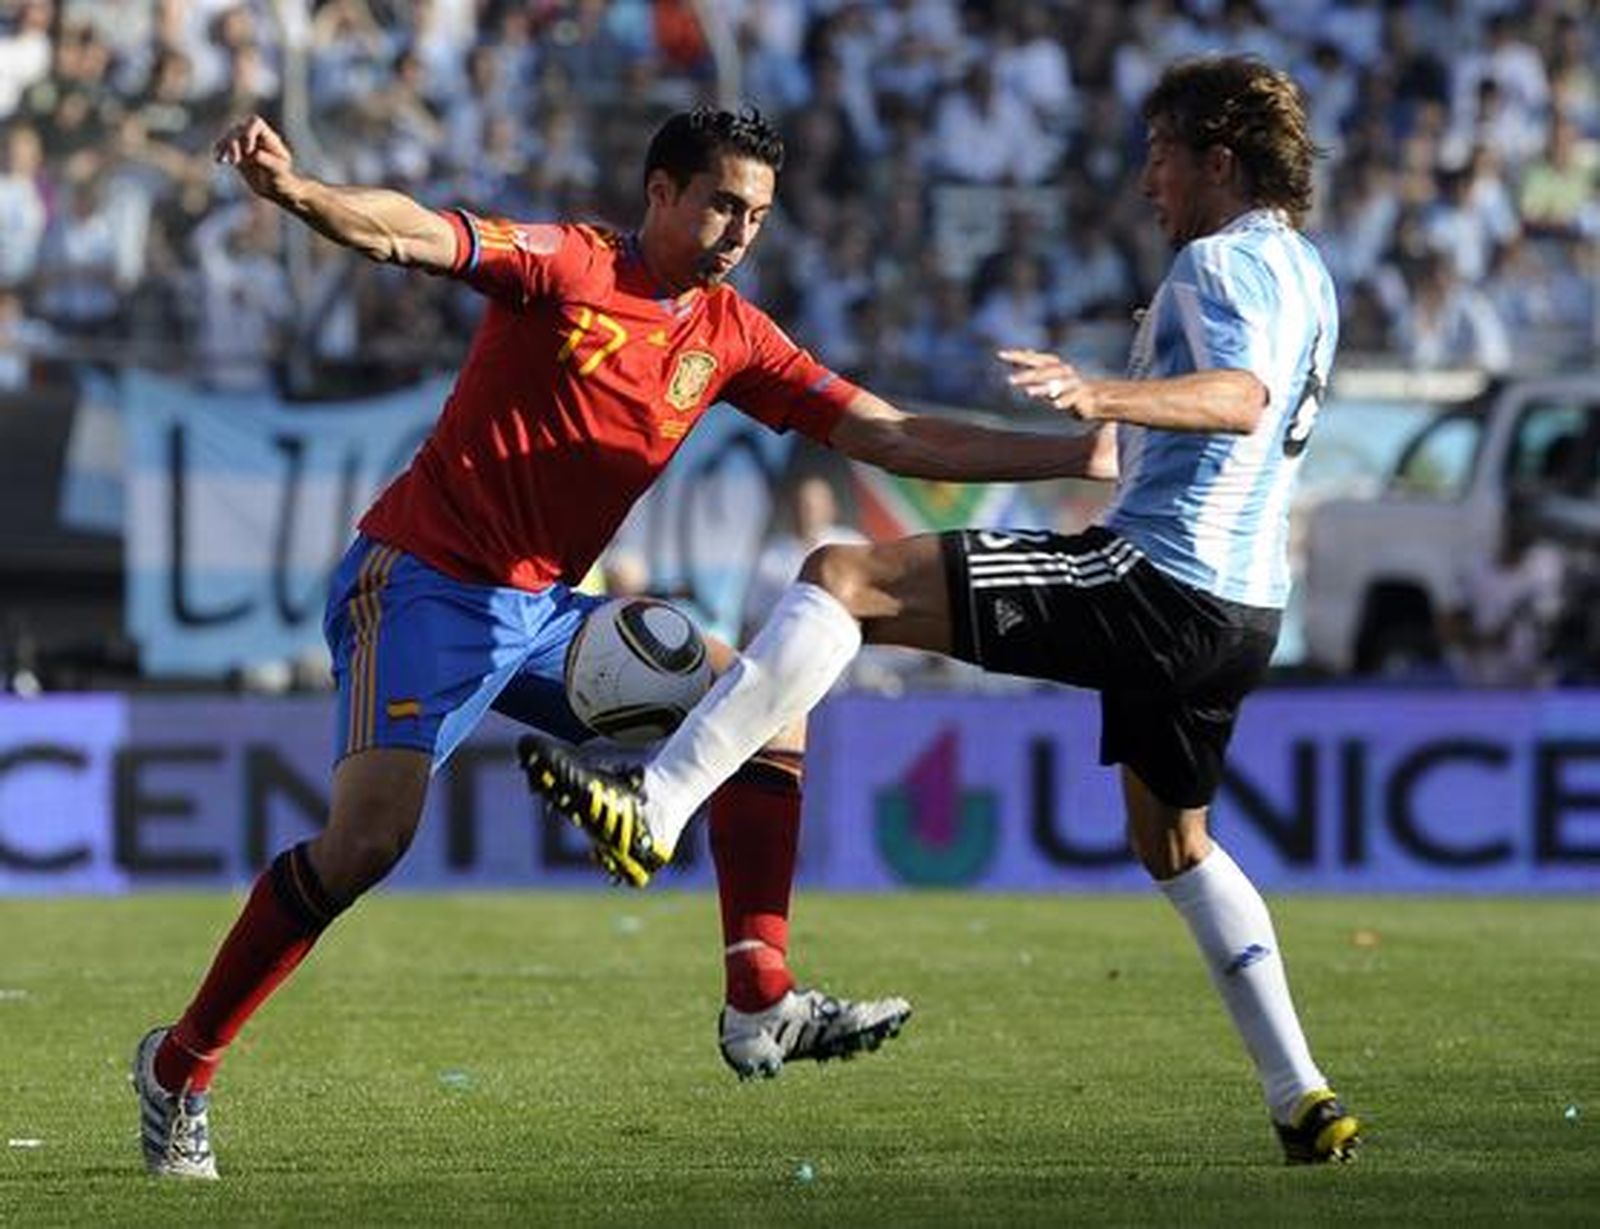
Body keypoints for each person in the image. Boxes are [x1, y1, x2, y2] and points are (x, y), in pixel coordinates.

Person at [133, 106, 1116, 1180]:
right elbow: (411, 231)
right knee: (367, 843)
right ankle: (179, 1065)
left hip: (545, 610)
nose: (741, 230)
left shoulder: (732, 333)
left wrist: (1074, 450)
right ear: (660, 193)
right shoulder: (569, 264)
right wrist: (300, 192)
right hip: (420, 581)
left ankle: (760, 996)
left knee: (768, 698)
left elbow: (891, 431)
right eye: (722, 204)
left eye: (758, 214)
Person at [521, 57, 1362, 1165]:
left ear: (1218, 160)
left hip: (1156, 577)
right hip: (1244, 610)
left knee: (841, 576)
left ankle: (660, 804)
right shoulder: (1306, 271)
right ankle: (1302, 1095)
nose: (1146, 180)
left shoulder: (1215, 264)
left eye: (1160, 155)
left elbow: (1239, 400)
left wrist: (1103, 392)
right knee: (1173, 840)